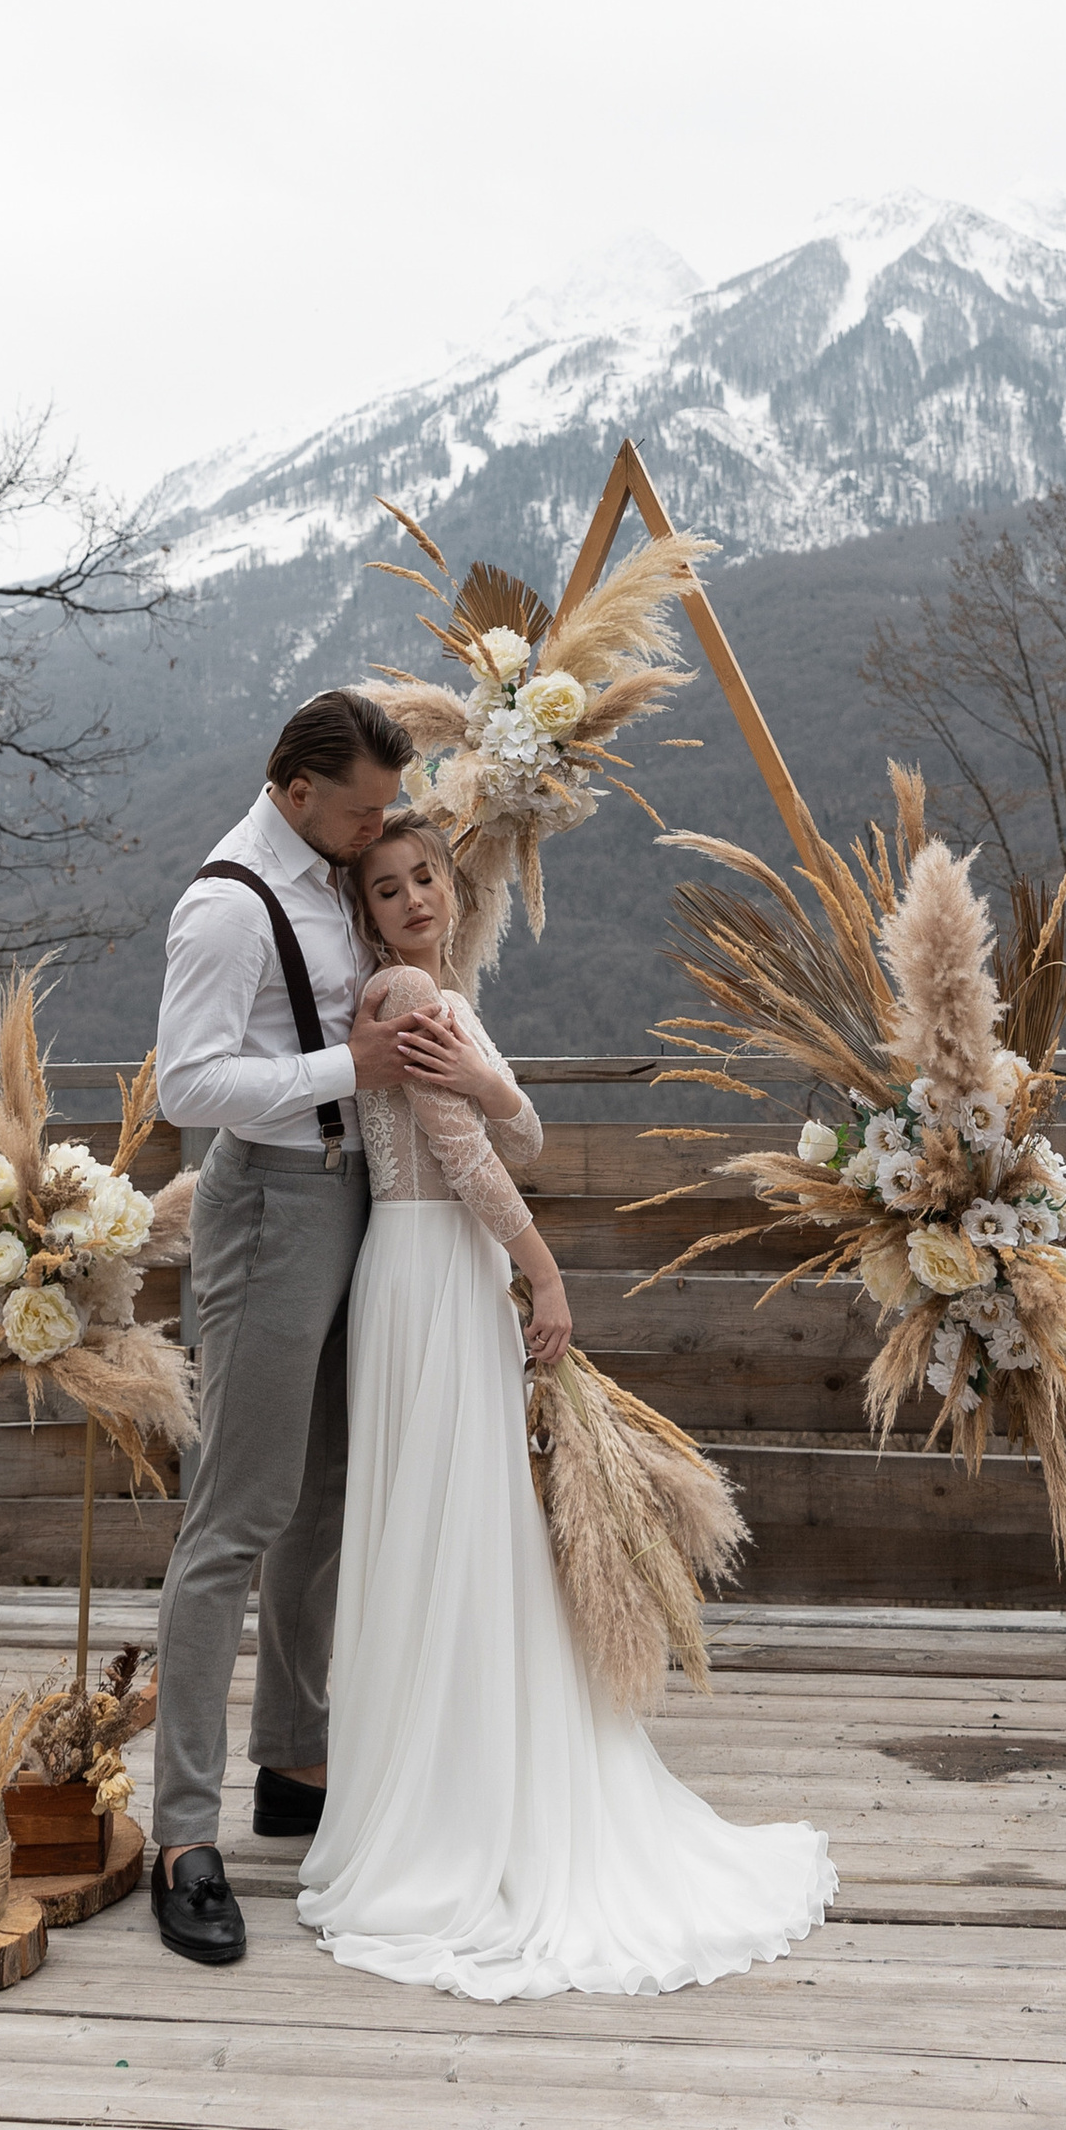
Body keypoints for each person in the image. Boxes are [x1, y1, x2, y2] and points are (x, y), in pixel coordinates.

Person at [296, 808, 836, 1998]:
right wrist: (544, 1272)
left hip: (436, 1272)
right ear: (364, 911)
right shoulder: (400, 998)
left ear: (453, 885)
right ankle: (451, 1815)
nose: (415, 901)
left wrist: (491, 1078)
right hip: (434, 1268)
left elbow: (523, 1128)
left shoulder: (442, 998)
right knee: (451, 1525)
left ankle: (455, 1781)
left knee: (466, 1527)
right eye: (387, 889)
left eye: (427, 878)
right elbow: (477, 1159)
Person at [150, 689, 472, 1965]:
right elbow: (187, 1083)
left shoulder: (335, 868)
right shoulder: (228, 906)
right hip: (271, 1207)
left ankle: (293, 1760)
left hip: (357, 1200)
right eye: (360, 809)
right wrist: (355, 1073)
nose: (378, 827)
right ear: (293, 795)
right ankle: (181, 1831)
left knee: (321, 1501)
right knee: (231, 1519)